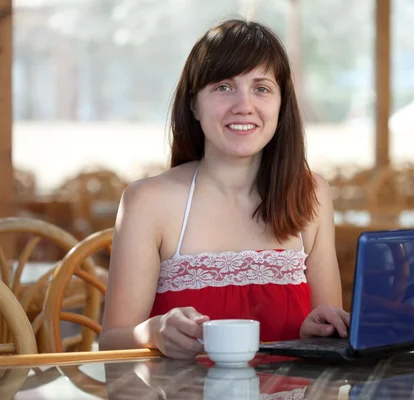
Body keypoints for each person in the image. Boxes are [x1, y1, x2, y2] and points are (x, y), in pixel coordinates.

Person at [99, 19, 349, 359]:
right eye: (223, 87)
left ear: (281, 104)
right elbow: (111, 340)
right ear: (193, 104)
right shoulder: (147, 201)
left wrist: (319, 329)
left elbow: (328, 334)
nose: (244, 105)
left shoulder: (312, 194)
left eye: (261, 88)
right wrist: (152, 332)